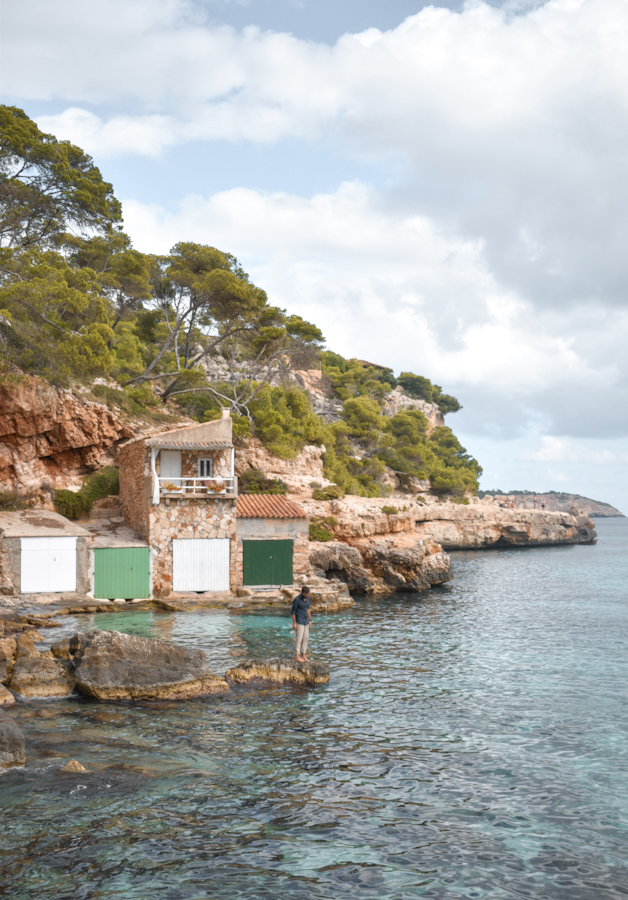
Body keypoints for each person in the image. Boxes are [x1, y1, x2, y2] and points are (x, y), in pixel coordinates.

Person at [291, 586, 312, 662]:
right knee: (299, 638)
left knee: (305, 638)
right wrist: (294, 623)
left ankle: (303, 654)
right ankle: (297, 655)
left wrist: (310, 620)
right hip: (299, 621)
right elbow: (293, 612)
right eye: (305, 594)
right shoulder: (297, 599)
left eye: (307, 594)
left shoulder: (308, 598)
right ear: (302, 592)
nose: (306, 595)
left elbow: (308, 609)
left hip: (306, 621)